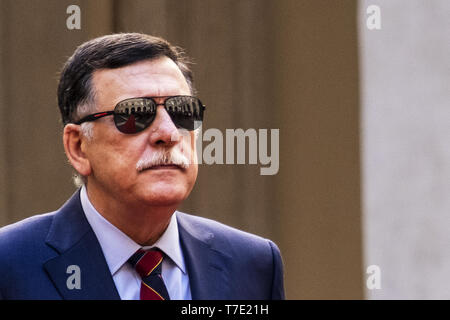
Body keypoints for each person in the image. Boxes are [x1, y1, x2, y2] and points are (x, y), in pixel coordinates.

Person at [0, 33, 285, 300]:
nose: (169, 133)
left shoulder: (252, 263)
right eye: (135, 113)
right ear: (78, 147)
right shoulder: (10, 263)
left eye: (181, 111)